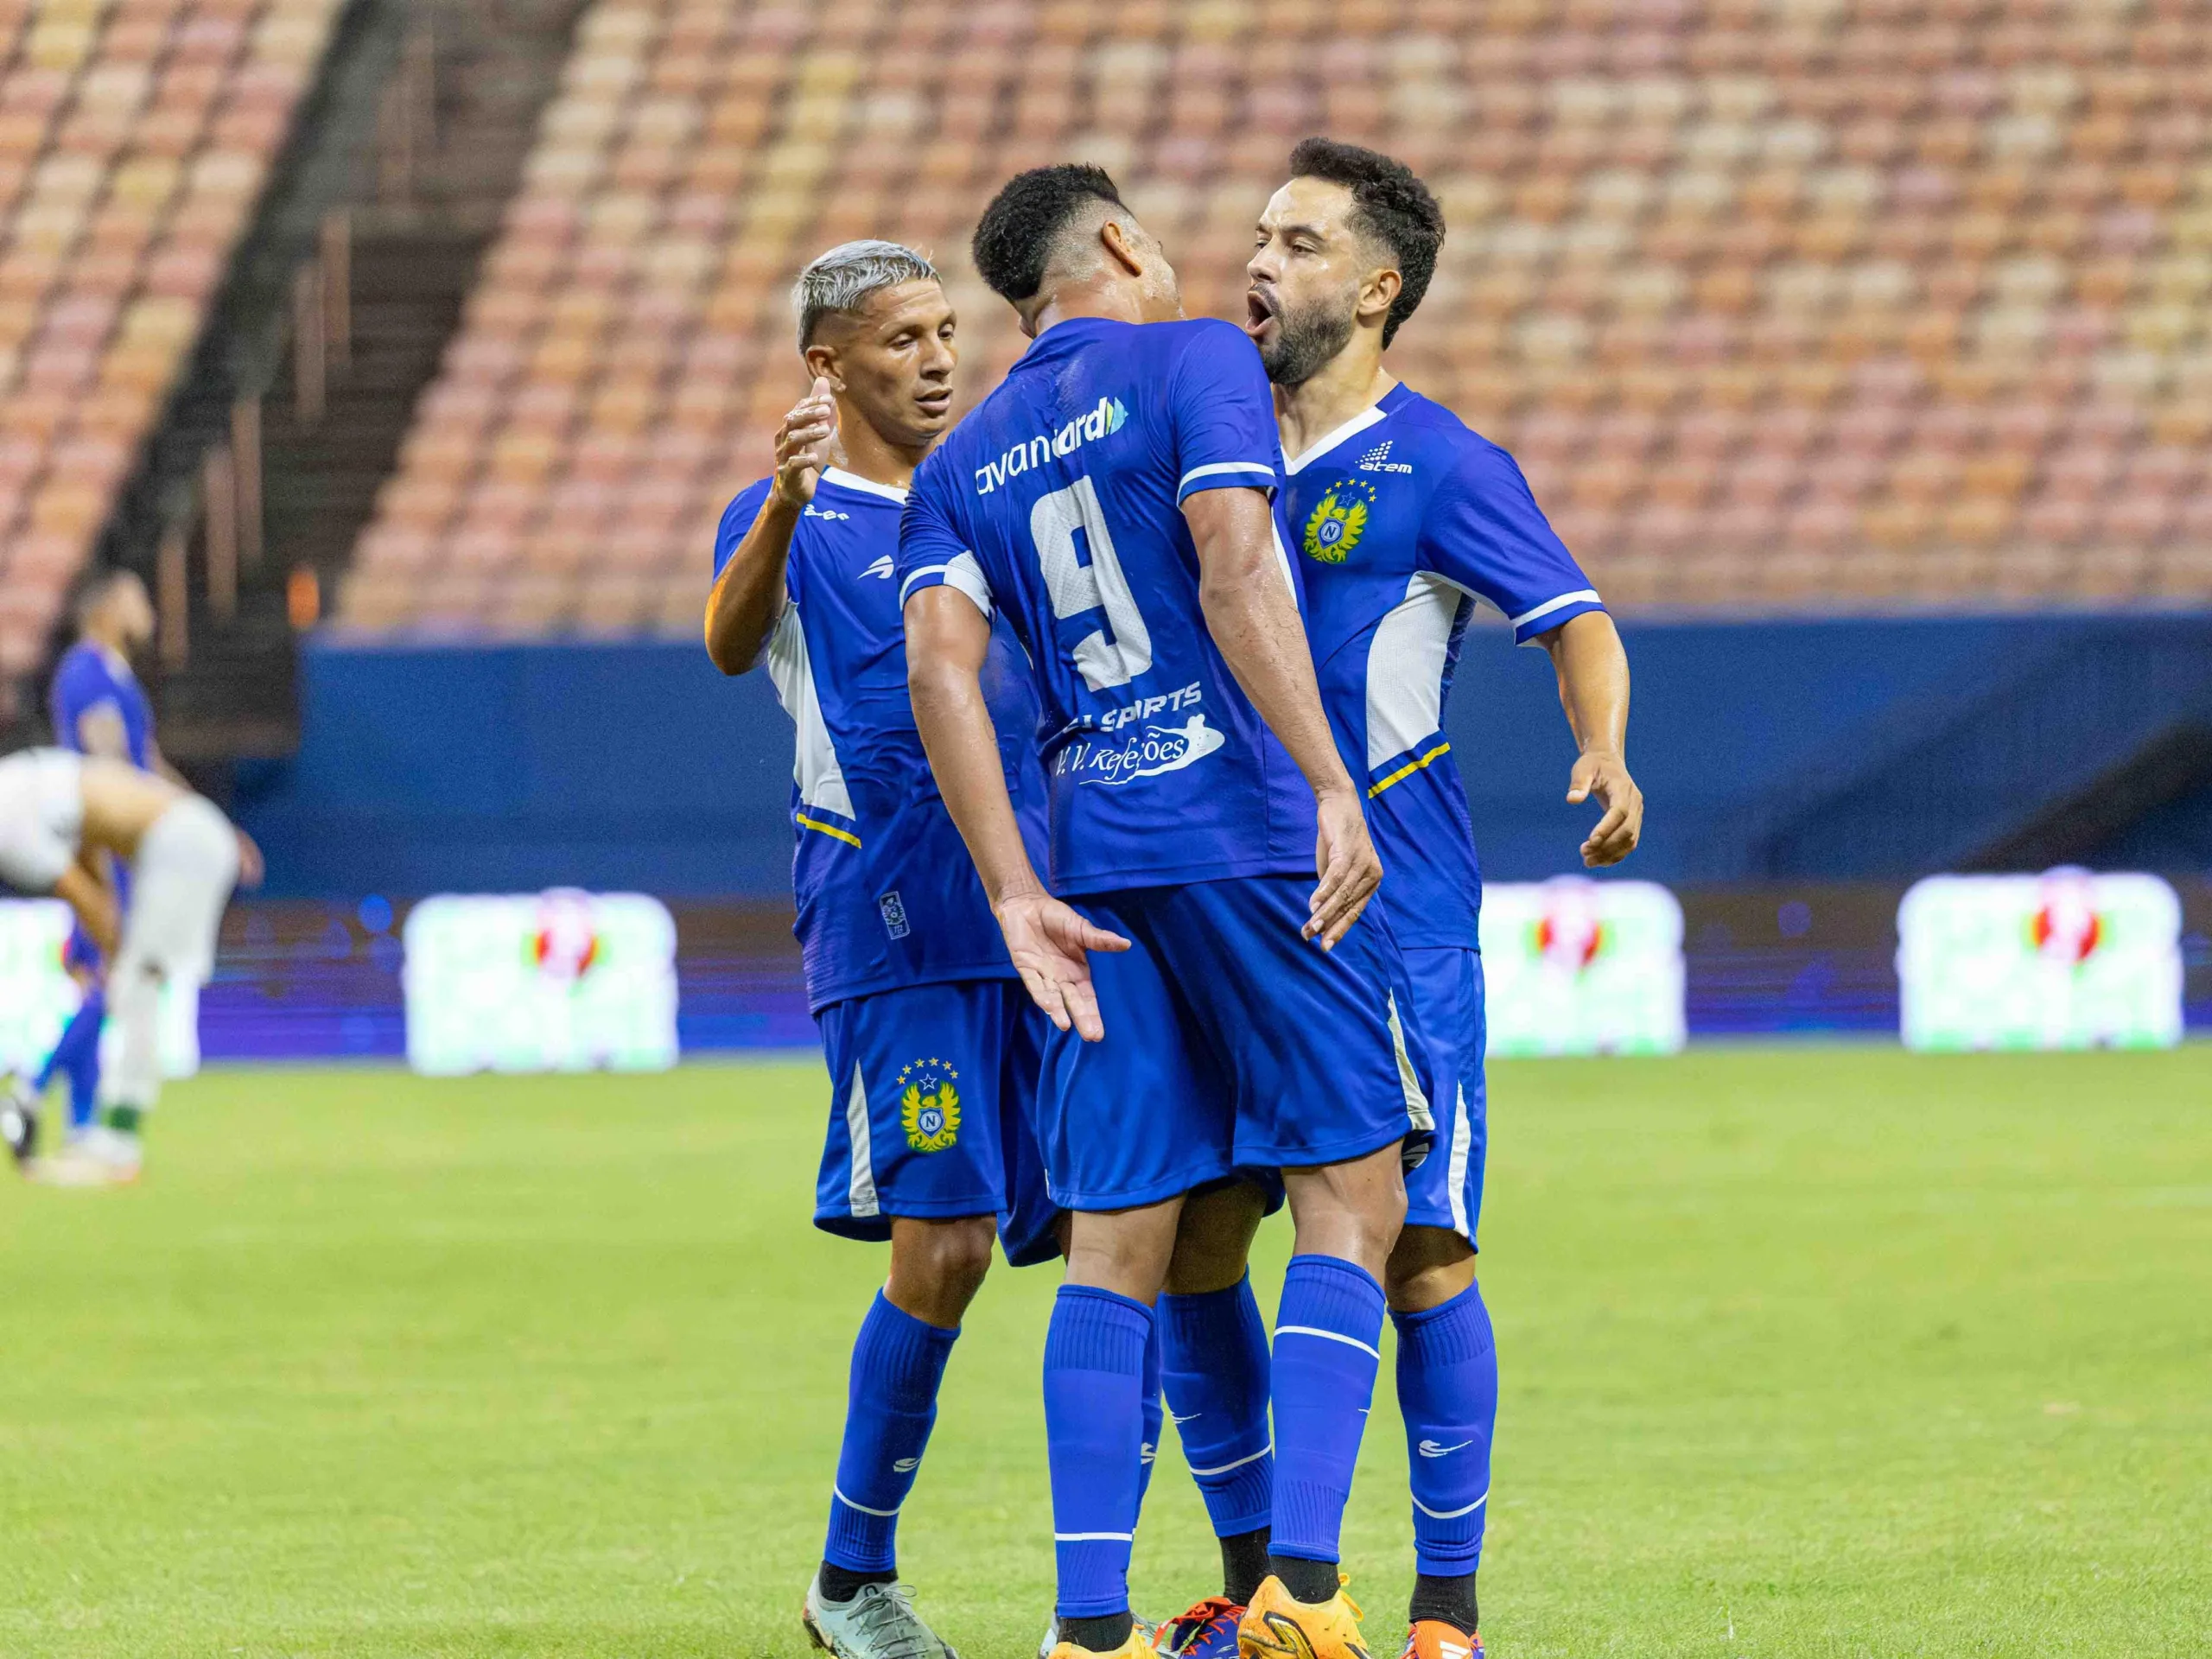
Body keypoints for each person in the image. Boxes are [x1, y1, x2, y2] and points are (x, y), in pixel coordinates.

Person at [899, 165, 1433, 1659]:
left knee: (1122, 1240)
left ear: (1019, 303)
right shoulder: (1196, 355)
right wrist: (1330, 780)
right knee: (1353, 1191)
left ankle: (1087, 1628)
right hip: (1251, 837)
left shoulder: (968, 456)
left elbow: (942, 670)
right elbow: (1234, 558)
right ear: (1126, 244)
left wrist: (1014, 891)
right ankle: (1306, 1601)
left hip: (1093, 869)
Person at [1151, 138, 1648, 1659]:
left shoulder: (1441, 465)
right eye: (1253, 234)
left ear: (1375, 289)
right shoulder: (1198, 443)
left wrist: (1603, 748)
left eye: (1295, 242)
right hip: (1216, 906)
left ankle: (1447, 1617)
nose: (1256, 260)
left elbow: (1577, 619)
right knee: (1190, 1245)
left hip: (1393, 916)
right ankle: (1274, 1596)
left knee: (1423, 1247)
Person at [705, 240, 1120, 1659]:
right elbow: (725, 639)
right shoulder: (796, 522)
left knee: (1133, 1233)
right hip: (898, 935)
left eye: (949, 331)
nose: (939, 358)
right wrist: (774, 504)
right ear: (829, 364)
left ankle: (1114, 1604)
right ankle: (849, 1579)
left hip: (1050, 922)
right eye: (902, 340)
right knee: (941, 1249)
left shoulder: (999, 505)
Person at [7, 571, 191, 1174]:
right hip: (106, 846)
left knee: (101, 982)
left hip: (124, 842)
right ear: (109, 609)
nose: (148, 610)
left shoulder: (116, 676)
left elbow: (147, 759)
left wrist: (196, 818)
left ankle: (81, 1124)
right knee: (116, 978)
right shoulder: (85, 675)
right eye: (138, 598)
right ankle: (31, 1090)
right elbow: (107, 769)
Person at [0, 750, 257, 1181]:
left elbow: (82, 894)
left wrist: (113, 950)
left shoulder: (8, 833)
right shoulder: (16, 782)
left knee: (136, 987)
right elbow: (89, 841)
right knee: (134, 985)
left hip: (181, 844)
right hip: (187, 833)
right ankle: (108, 1136)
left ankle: (117, 1144)